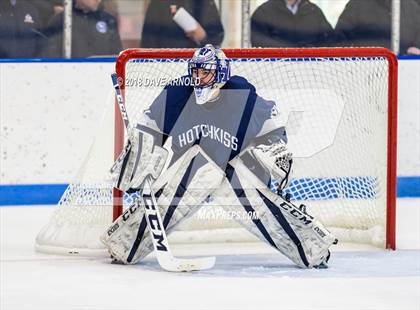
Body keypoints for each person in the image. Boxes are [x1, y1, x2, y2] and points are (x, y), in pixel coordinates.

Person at [101, 44, 337, 269]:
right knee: (192, 175)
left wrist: (277, 149)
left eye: (205, 73)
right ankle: (124, 244)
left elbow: (270, 124)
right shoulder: (177, 93)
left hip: (237, 168)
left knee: (261, 208)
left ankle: (311, 248)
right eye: (195, 72)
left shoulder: (241, 93)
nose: (198, 79)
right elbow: (148, 128)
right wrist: (139, 154)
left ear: (221, 74)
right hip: (192, 171)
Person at [335, 0, 420, 55]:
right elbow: (338, 42)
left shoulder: (412, 8)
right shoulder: (357, 5)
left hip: (404, 74)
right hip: (362, 73)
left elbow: (417, 46)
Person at [45, 0, 122, 58]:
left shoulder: (108, 20)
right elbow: (51, 57)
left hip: (103, 75)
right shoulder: (62, 20)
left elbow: (116, 54)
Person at [141, 0, 224, 48]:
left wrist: (203, 36)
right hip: (166, 65)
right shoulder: (159, 3)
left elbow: (218, 35)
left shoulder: (204, 2)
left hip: (197, 65)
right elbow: (147, 42)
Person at [251, 0, 334, 48]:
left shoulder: (314, 11)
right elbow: (258, 41)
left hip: (310, 69)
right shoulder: (264, 11)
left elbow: (330, 40)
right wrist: (286, 50)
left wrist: (307, 50)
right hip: (275, 70)